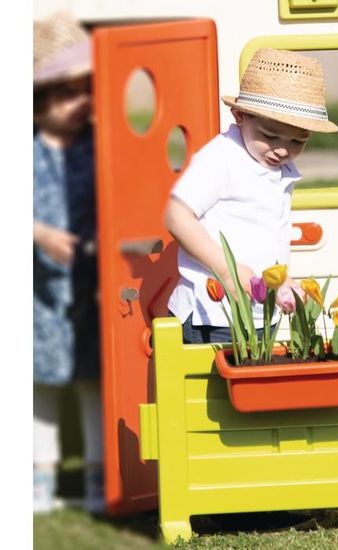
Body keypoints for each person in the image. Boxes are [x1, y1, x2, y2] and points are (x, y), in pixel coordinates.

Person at [165, 48, 338, 343]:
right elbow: (176, 215)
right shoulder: (223, 158)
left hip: (258, 315)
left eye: (298, 141)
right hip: (212, 315)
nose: (283, 149)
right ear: (240, 115)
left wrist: (281, 282)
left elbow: (260, 237)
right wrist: (227, 271)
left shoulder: (275, 167)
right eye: (270, 136)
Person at [33, 12, 104, 514]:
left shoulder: (99, 147)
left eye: (87, 91)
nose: (82, 102)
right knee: (40, 386)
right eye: (68, 94)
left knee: (93, 381)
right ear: (40, 101)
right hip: (38, 289)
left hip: (91, 285)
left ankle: (100, 476)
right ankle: (40, 479)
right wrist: (38, 233)